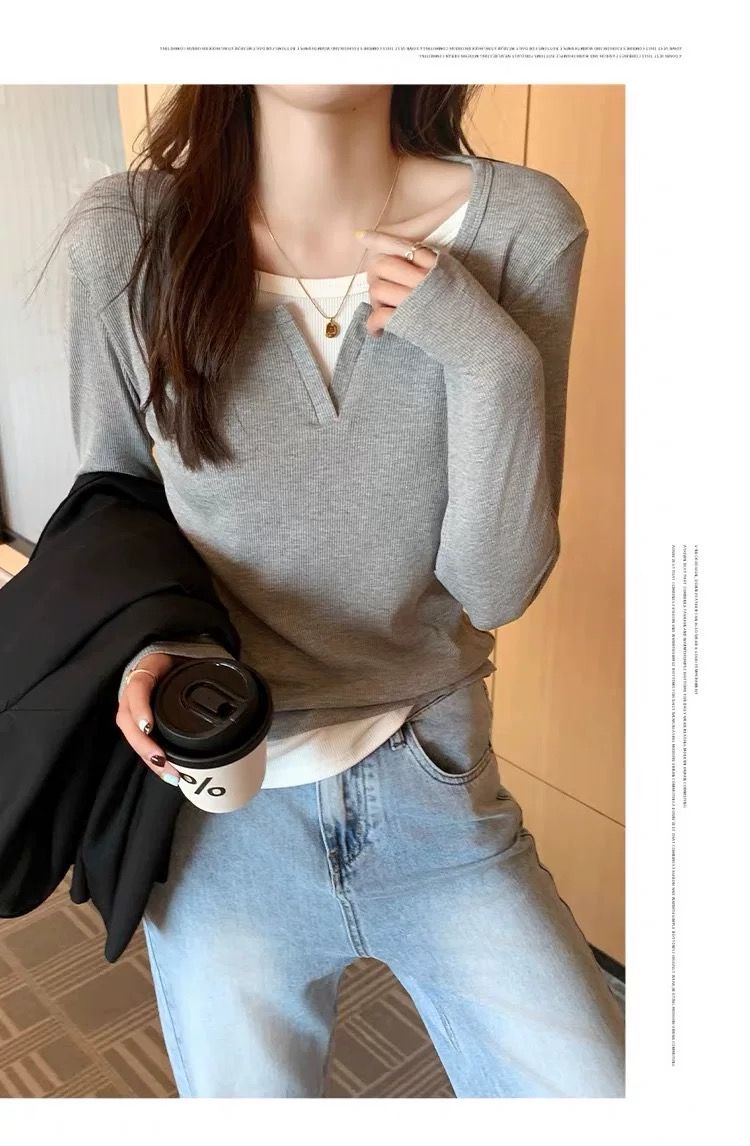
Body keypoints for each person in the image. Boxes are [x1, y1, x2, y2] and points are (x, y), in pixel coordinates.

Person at [61, 84, 625, 1098]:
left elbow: (494, 586)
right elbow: (113, 503)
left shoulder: (522, 226)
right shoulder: (126, 234)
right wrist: (149, 649)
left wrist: (490, 361)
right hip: (218, 805)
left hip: (435, 788)